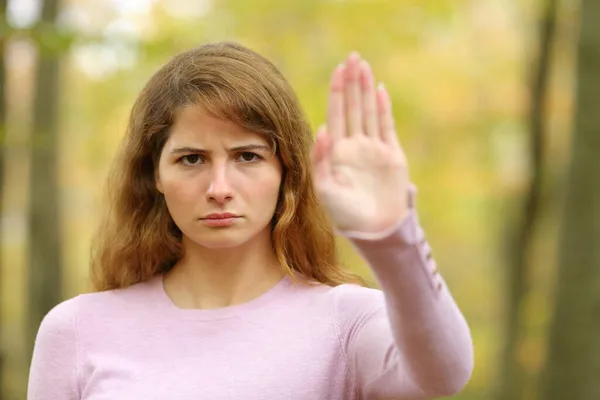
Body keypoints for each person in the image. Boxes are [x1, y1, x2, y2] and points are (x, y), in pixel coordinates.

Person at [27, 41, 474, 400]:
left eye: (247, 156)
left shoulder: (346, 321)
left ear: (286, 172)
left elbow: (444, 375)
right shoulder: (78, 329)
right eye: (192, 158)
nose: (219, 186)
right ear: (155, 175)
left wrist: (392, 237)